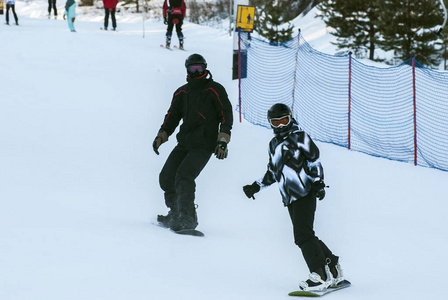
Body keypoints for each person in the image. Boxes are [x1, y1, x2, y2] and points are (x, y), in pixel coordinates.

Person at [242, 103, 346, 292]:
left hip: (305, 192)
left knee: (302, 235)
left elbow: (314, 160)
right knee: (306, 234)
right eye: (276, 122)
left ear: (290, 118)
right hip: (290, 198)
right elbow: (273, 172)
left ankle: (319, 275)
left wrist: (318, 182)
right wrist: (256, 186)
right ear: (271, 124)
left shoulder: (300, 137)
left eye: (284, 121)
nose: (281, 126)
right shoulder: (273, 145)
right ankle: (333, 269)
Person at [153, 54, 233, 232]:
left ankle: (188, 217)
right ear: (187, 70)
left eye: (200, 68)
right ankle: (175, 212)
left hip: (204, 145)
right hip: (184, 143)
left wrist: (222, 140)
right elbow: (172, 117)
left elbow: (226, 115)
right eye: (193, 68)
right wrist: (162, 135)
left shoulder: (215, 90)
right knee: (166, 177)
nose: (197, 72)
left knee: (184, 176)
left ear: (205, 68)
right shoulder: (182, 92)